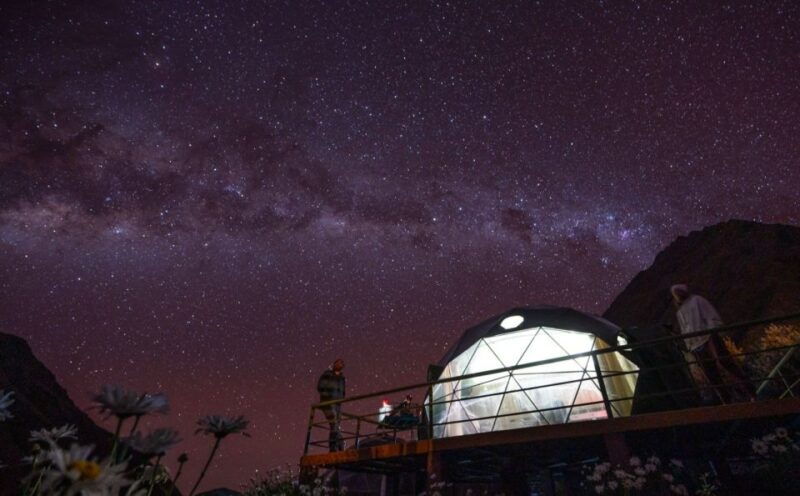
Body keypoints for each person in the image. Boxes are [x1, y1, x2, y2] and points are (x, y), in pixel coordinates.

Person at [671, 284, 752, 403]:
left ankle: (749, 391)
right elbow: (685, 329)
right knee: (711, 373)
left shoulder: (697, 300)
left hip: (708, 338)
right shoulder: (680, 312)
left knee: (725, 363)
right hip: (696, 345)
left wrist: (712, 332)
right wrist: (690, 345)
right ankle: (726, 400)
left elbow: (710, 315)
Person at [317, 358, 345, 451]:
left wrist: (341, 399)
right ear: (334, 364)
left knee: (336, 425)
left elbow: (343, 391)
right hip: (328, 402)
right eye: (338, 362)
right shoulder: (328, 374)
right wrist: (327, 396)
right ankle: (336, 447)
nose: (340, 364)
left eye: (341, 363)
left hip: (337, 404)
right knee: (334, 424)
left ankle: (338, 446)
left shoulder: (342, 378)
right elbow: (320, 387)